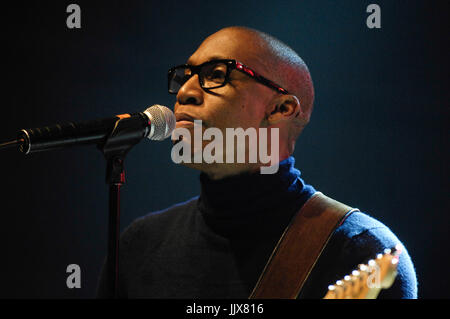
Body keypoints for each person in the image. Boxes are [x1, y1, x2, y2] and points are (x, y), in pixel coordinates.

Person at [97, 26, 417, 298]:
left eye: (216, 74)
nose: (185, 92)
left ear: (281, 109)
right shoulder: (141, 244)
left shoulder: (358, 252)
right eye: (186, 76)